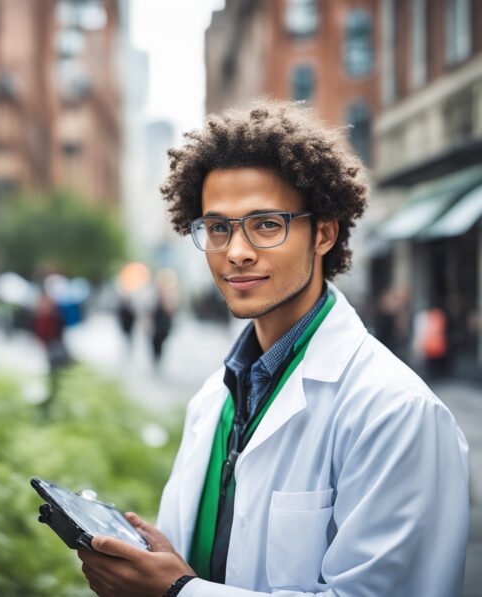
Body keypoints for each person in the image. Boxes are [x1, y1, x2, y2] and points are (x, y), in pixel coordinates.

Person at [78, 101, 469, 596]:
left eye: (266, 224)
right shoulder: (214, 399)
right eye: (218, 228)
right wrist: (162, 564)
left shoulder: (396, 412)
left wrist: (178, 593)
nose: (236, 252)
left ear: (323, 233)